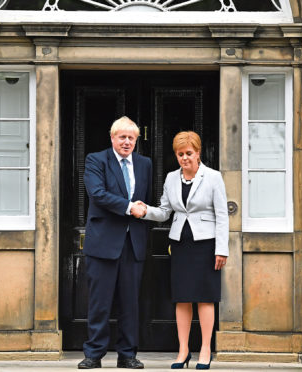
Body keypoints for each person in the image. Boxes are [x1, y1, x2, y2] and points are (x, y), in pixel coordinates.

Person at [137, 131, 228, 370]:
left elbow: (222, 215)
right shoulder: (170, 178)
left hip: (207, 246)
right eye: (180, 154)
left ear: (198, 153)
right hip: (180, 245)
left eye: (189, 153)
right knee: (182, 298)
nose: (184, 158)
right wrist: (145, 210)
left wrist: (222, 249)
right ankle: (183, 350)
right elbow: (165, 212)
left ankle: (205, 349)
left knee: (206, 297)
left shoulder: (213, 177)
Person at [78, 116, 152, 369]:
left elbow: (145, 200)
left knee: (130, 303)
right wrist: (130, 207)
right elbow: (97, 194)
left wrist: (142, 209)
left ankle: (127, 355)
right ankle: (94, 354)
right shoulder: (96, 160)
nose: (127, 142)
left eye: (132, 138)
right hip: (103, 244)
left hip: (134, 243)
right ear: (112, 138)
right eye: (122, 137)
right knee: (99, 303)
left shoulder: (145, 164)